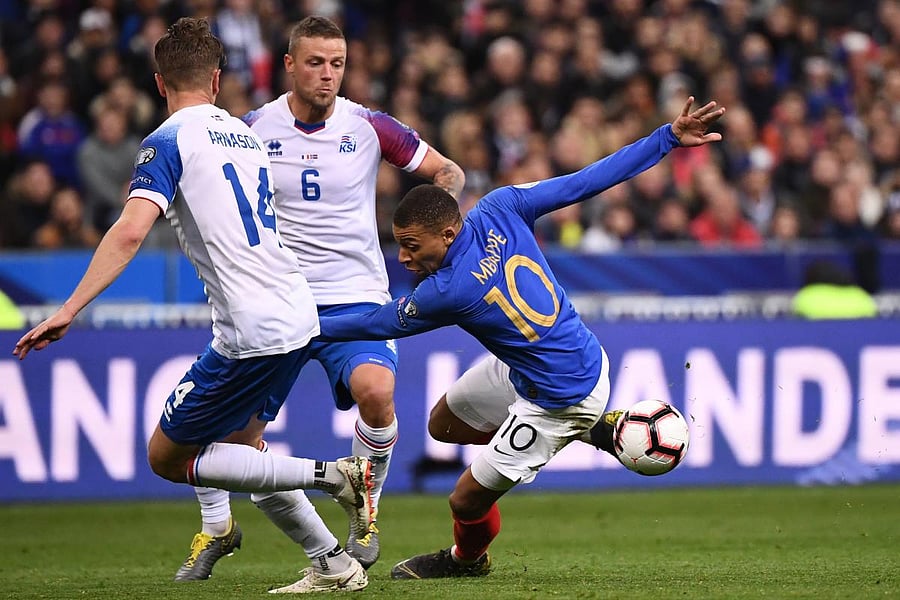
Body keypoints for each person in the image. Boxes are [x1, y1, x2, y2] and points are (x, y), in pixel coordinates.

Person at [12, 18, 373, 594]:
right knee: (242, 453)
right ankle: (332, 562)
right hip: (297, 312)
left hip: (251, 328)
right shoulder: (246, 133)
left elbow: (130, 232)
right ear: (216, 78)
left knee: (167, 456)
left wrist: (69, 308)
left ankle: (336, 475)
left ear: (159, 83)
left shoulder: (167, 140)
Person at [315, 97, 726, 579]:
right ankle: (594, 432)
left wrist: (304, 329)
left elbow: (379, 322)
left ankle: (465, 560)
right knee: (442, 426)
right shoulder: (502, 205)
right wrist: (667, 138)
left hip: (562, 397)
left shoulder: (448, 290)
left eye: (411, 245)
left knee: (465, 498)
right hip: (543, 364)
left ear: (447, 235)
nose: (404, 258)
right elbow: (587, 180)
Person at [174, 14, 466, 581]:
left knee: (376, 392)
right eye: (314, 62)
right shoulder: (253, 128)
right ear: (288, 65)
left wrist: (432, 212)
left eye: (337, 63)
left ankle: (366, 512)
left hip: (356, 295)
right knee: (236, 437)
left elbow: (446, 170)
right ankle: (218, 527)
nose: (327, 74)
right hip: (280, 299)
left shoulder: (370, 126)